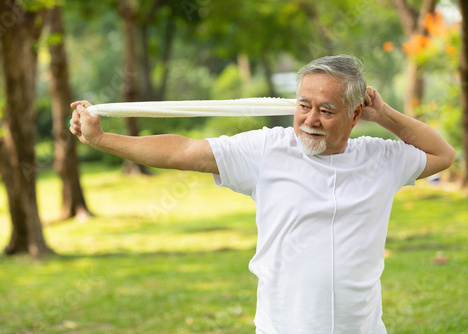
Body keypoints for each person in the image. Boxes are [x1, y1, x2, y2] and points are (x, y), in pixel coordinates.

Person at [69, 55, 455, 334]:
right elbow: (184, 150)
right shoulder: (269, 149)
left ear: (355, 116)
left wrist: (384, 114)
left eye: (326, 110)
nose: (310, 120)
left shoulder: (380, 157)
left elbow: (443, 154)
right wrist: (102, 139)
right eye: (303, 105)